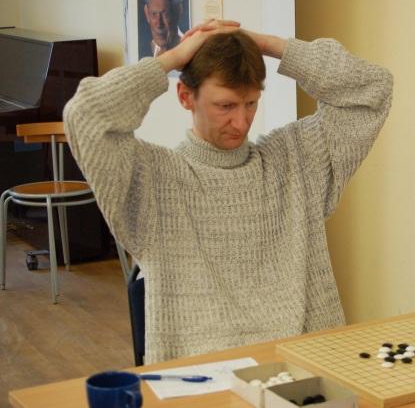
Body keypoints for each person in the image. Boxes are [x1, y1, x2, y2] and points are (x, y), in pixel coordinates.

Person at [63, 20, 393, 364]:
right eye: (225, 106)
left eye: (251, 103)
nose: (241, 121)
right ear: (185, 96)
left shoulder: (296, 161)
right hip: (204, 375)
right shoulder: (151, 179)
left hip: (306, 365)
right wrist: (173, 58)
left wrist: (266, 44)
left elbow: (372, 89)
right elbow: (85, 115)